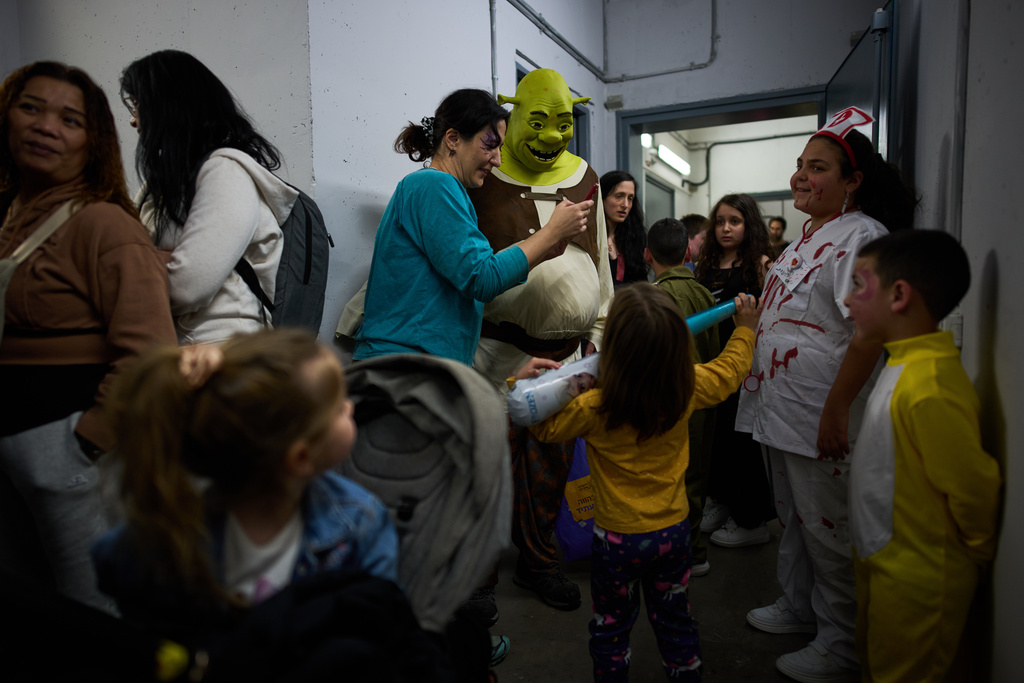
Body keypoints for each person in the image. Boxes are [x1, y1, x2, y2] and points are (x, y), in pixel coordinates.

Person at [737, 107, 919, 683]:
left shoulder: (863, 236)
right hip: (782, 409)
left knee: (828, 529)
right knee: (795, 520)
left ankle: (841, 646)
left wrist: (838, 408)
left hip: (820, 413)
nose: (800, 177)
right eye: (799, 166)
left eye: (816, 168)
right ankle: (797, 608)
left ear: (852, 180)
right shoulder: (809, 235)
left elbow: (870, 330)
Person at [0, 61, 176, 612]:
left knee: (93, 612)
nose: (46, 126)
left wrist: (85, 444)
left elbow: (151, 356)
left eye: (70, 119)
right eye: (31, 108)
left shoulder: (105, 225)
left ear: (92, 141)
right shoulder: (9, 217)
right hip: (13, 450)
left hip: (68, 454)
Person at [92, 329, 398, 641]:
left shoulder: (358, 522)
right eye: (337, 407)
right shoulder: (179, 527)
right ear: (301, 457)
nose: (350, 407)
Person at [529, 283, 763, 682]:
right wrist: (745, 329)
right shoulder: (685, 385)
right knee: (676, 622)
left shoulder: (595, 406)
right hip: (673, 534)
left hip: (616, 539)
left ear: (613, 348)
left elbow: (543, 427)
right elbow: (728, 373)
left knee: (611, 628)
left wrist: (524, 384)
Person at [465, 69, 611, 620]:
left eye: (564, 122)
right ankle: (478, 574)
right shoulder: (484, 174)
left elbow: (600, 257)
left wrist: (598, 334)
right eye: (539, 120)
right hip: (494, 357)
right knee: (488, 469)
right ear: (512, 117)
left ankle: (538, 561)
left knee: (549, 470)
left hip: (566, 358)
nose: (552, 135)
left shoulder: (586, 178)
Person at [844, 230, 1000, 681]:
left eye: (858, 284)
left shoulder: (929, 386)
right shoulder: (903, 363)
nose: (848, 299)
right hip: (886, 564)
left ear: (898, 295)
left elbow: (974, 487)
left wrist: (973, 559)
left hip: (921, 583)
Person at [353, 87, 592, 367]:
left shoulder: (442, 189)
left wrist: (545, 249)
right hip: (407, 368)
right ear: (453, 139)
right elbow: (482, 278)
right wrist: (551, 232)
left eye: (500, 148)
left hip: (421, 366)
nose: (498, 159)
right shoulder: (433, 186)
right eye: (490, 145)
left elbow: (476, 268)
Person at [120, 50, 300, 345]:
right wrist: (155, 261)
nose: (132, 120)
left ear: (167, 106)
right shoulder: (161, 185)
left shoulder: (225, 172)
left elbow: (186, 287)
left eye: (138, 105)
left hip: (224, 355)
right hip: (171, 350)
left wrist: (140, 264)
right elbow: (116, 258)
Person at [693, 194, 774, 549]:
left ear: (748, 225)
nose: (726, 228)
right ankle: (722, 502)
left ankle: (751, 519)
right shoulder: (705, 262)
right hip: (710, 362)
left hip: (745, 365)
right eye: (721, 221)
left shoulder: (759, 265)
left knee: (743, 441)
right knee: (716, 438)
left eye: (735, 221)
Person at [646, 217, 721, 576]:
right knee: (697, 477)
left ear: (647, 255)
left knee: (669, 479)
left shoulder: (653, 299)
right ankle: (696, 550)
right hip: (705, 399)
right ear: (688, 252)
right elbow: (717, 351)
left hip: (668, 405)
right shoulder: (705, 294)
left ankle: (677, 553)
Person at [602, 170, 648, 288]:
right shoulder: (587, 236)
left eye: (630, 198)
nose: (625, 205)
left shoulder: (633, 238)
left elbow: (641, 283)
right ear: (602, 197)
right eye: (619, 196)